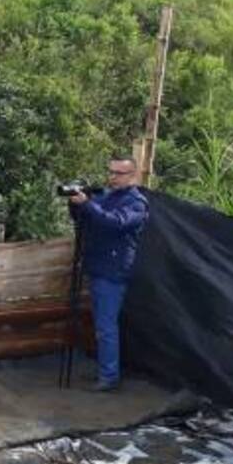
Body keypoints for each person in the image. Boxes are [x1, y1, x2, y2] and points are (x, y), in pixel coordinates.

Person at [68, 155, 150, 392]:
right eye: (111, 172)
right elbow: (86, 219)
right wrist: (75, 204)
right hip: (97, 265)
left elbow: (114, 223)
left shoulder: (136, 203)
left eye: (118, 173)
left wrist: (87, 204)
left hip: (113, 270)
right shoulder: (106, 196)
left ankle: (109, 377)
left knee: (106, 326)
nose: (112, 177)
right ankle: (106, 371)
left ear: (132, 176)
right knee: (102, 324)